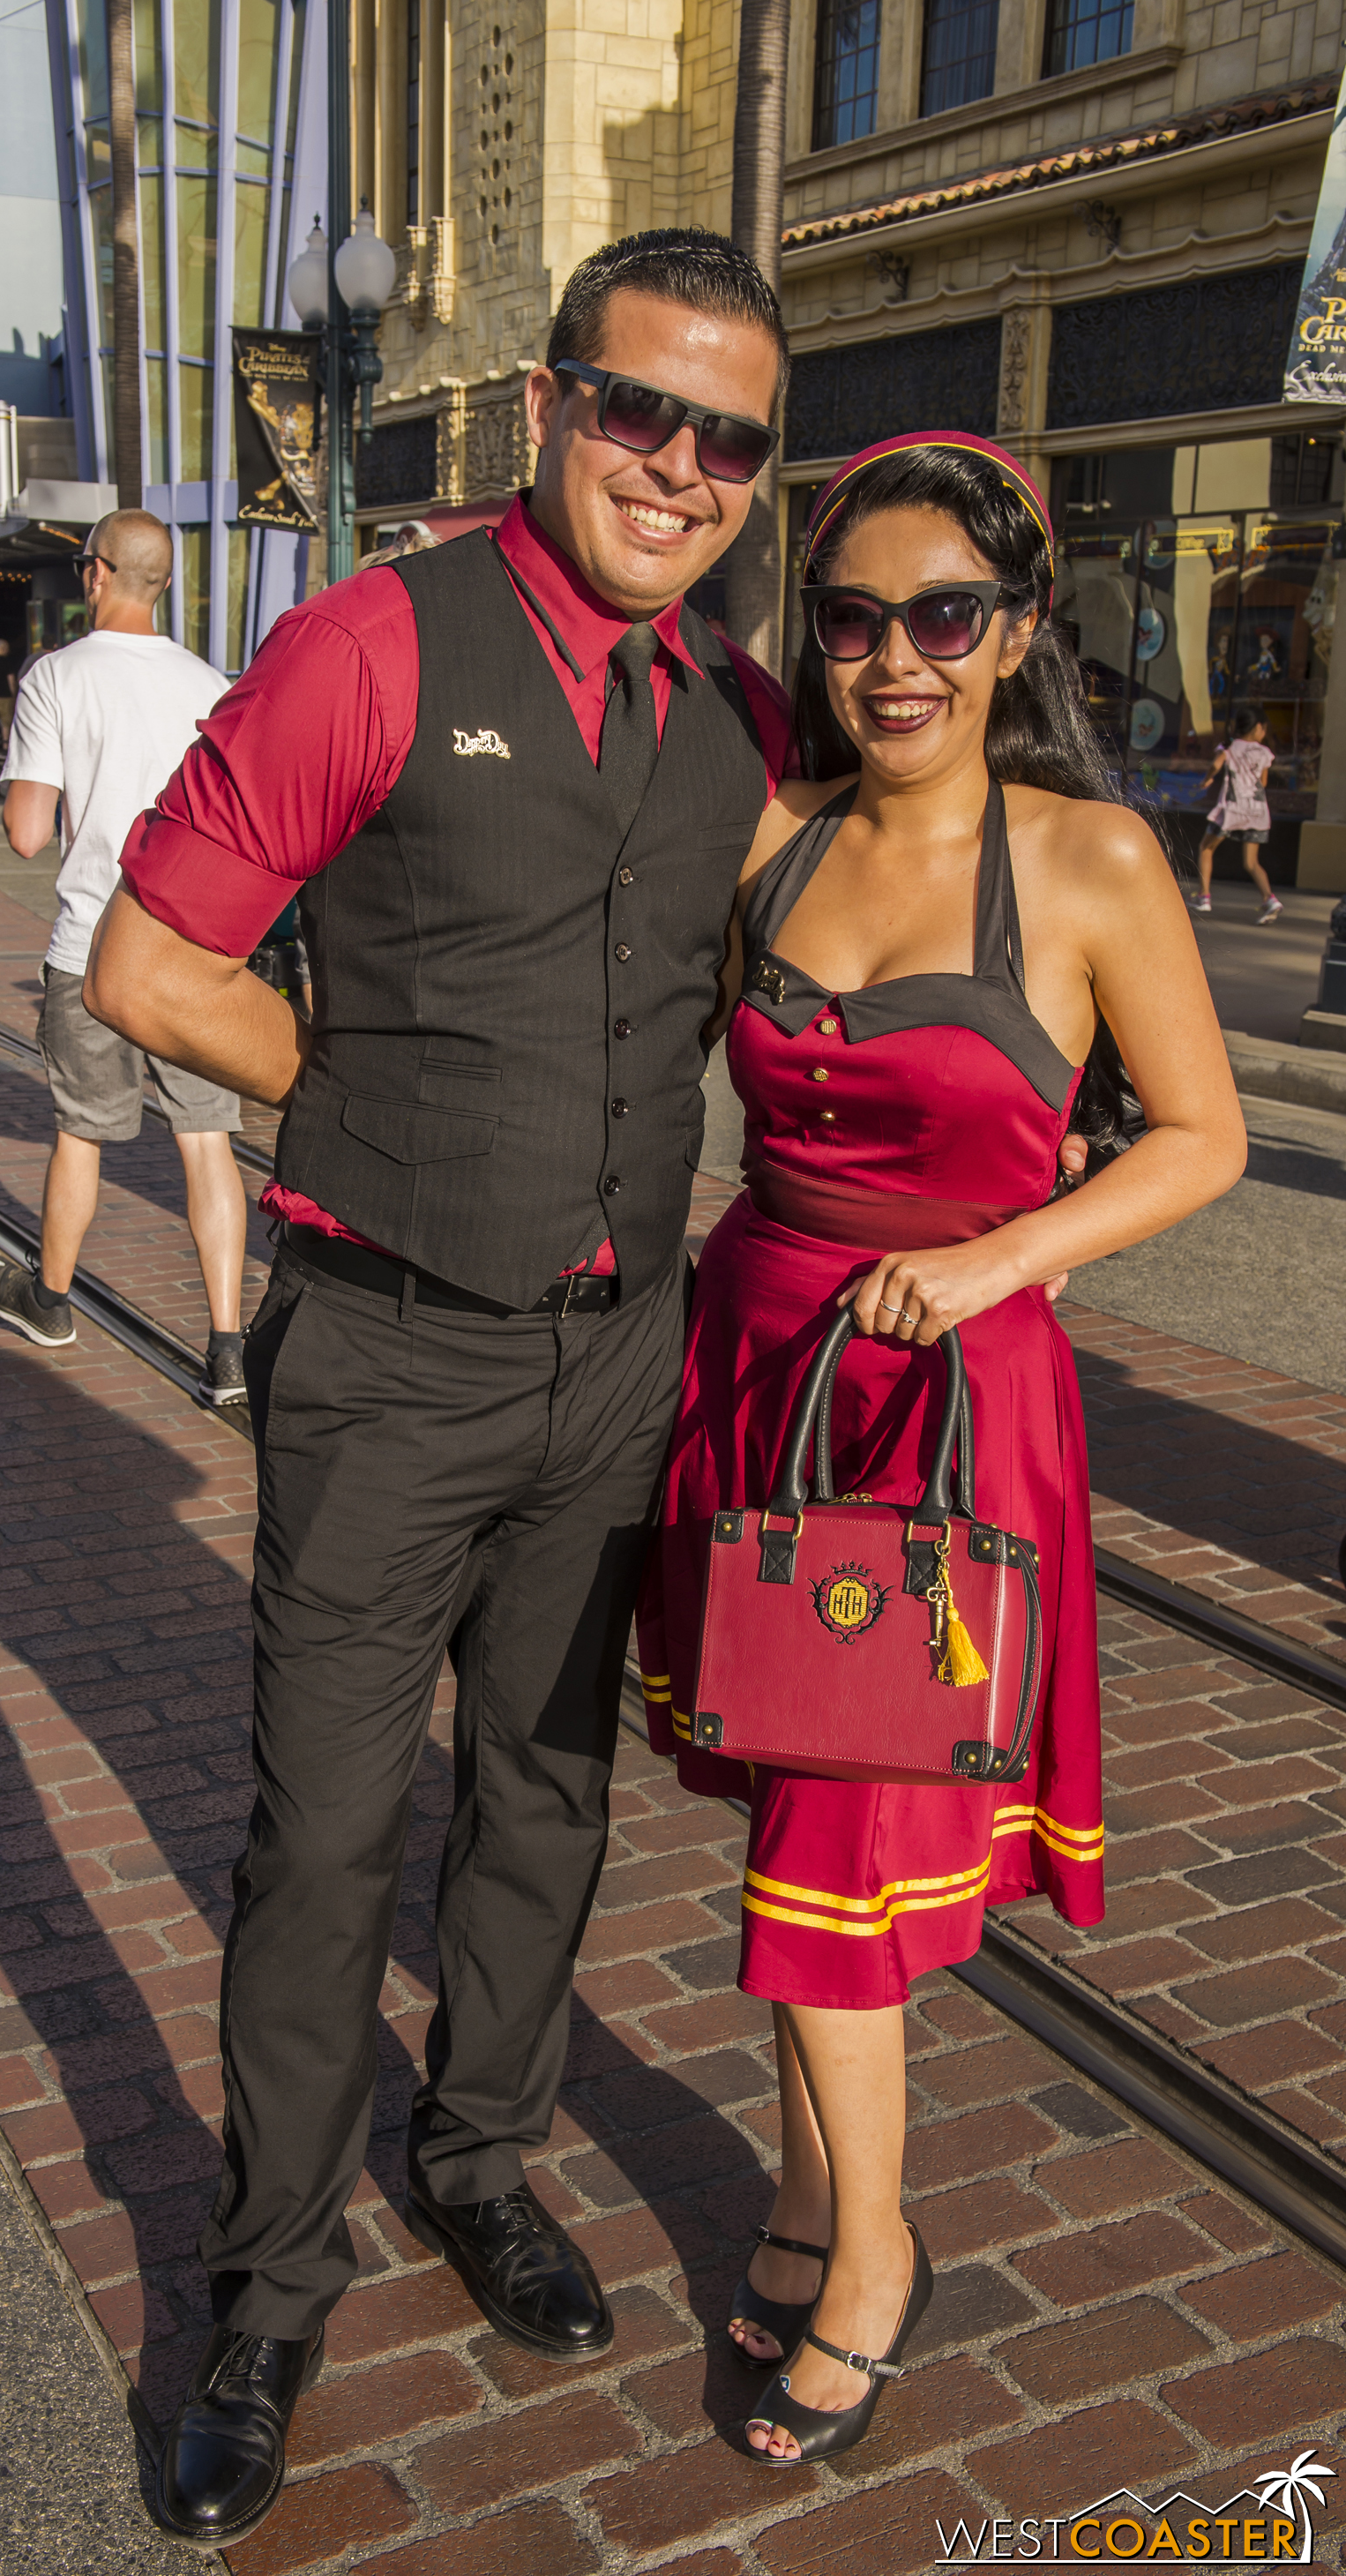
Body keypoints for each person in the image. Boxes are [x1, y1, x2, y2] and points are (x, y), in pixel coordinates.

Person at [84, 226, 802, 2550]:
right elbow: (151, 961)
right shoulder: (373, 639)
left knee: (553, 1800)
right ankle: (269, 2288)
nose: (678, 465)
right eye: (639, 409)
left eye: (729, 438)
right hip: (386, 1350)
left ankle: (474, 2151)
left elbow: (826, 968)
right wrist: (371, 1106)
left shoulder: (734, 716)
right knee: (322, 1836)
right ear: (547, 409)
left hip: (621, 1361)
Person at [631, 433, 1246, 2470]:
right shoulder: (772, 832)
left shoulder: (1087, 860)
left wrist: (1000, 1258)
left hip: (950, 1408)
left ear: (1011, 632)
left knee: (833, 1848)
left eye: (943, 618)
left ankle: (877, 2254)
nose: (896, 658)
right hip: (757, 1369)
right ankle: (812, 2197)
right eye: (857, 618)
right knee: (791, 1811)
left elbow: (1197, 1136)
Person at [0, 510, 250, 1408]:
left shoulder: (54, 677)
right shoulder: (213, 685)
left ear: (95, 575)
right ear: (164, 582)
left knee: (82, 1134)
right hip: (192, 951)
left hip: (93, 946)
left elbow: (26, 833)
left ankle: (51, 1300)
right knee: (207, 1143)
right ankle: (226, 1347)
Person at [1193, 708, 1282, 923]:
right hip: (1256, 811)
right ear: (1259, 727)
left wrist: (1207, 780)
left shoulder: (1229, 747)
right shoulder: (1264, 752)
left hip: (1232, 809)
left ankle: (1204, 896)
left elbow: (1216, 764)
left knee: (1206, 848)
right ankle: (1270, 899)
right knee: (1251, 862)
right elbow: (1264, 783)